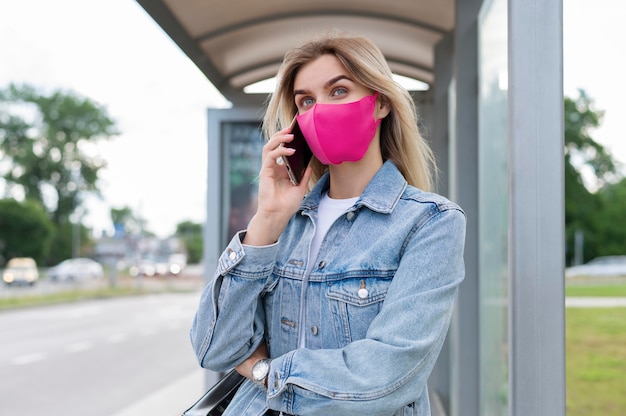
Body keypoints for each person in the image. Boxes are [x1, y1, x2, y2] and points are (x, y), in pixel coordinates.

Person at [190, 32, 466, 416]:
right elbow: (214, 346)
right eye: (306, 100)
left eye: (338, 91)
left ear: (381, 102)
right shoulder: (282, 224)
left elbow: (385, 377)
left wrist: (264, 370)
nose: (319, 110)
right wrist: (267, 219)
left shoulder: (430, 223)